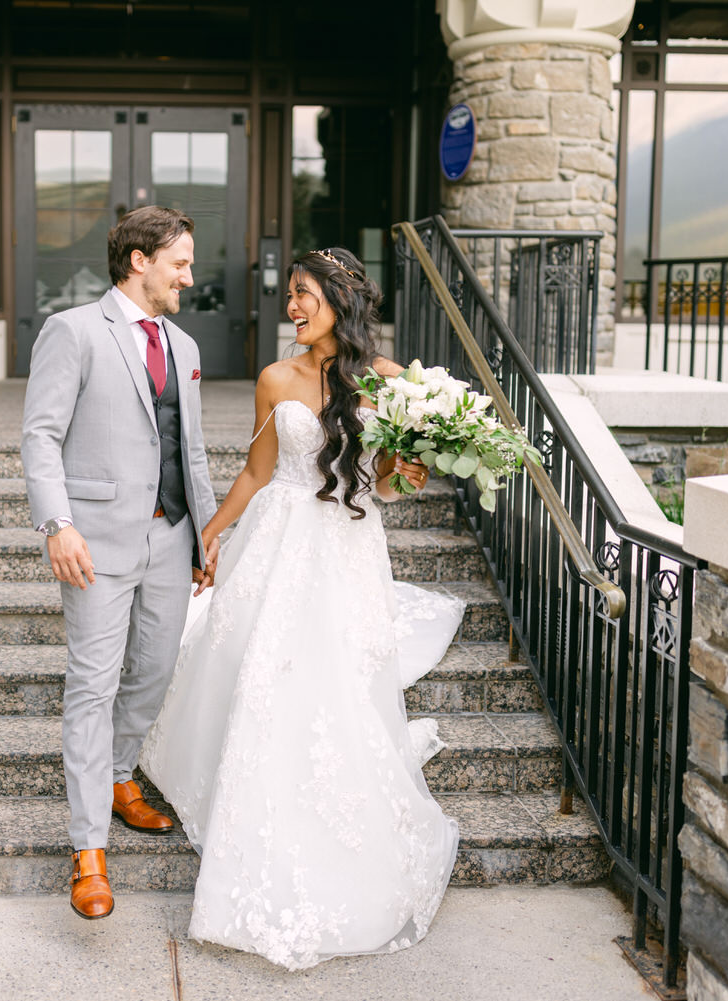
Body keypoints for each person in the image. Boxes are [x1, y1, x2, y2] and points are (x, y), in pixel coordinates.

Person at [139, 247, 465, 970]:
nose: (292, 306)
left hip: (344, 545)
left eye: (304, 294)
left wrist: (405, 471)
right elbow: (259, 469)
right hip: (279, 536)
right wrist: (214, 531)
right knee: (259, 668)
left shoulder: (387, 381)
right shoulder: (273, 377)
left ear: (338, 301)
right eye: (290, 294)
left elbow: (382, 477)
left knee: (335, 678)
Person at [21, 205, 221, 921]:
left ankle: (114, 774)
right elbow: (41, 435)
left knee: (156, 668)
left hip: (171, 538)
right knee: (92, 685)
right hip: (95, 541)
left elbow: (189, 449)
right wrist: (58, 525)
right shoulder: (73, 332)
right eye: (180, 263)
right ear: (141, 261)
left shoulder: (186, 346)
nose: (188, 277)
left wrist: (204, 533)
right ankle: (88, 849)